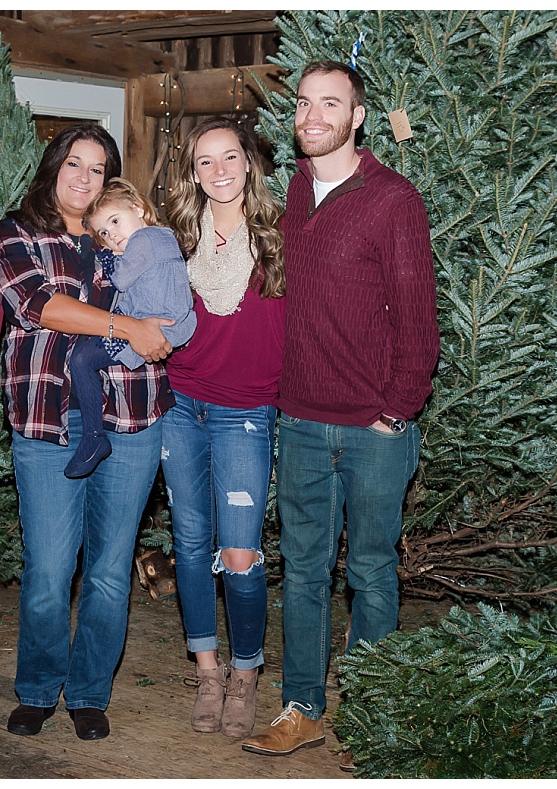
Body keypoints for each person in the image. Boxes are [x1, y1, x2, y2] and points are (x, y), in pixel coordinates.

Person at [241, 61, 439, 765]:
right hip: (298, 421)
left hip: (374, 430)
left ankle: (372, 712)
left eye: (331, 103)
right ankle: (302, 707)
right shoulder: (293, 191)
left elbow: (420, 322)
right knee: (302, 571)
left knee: (373, 572)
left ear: (358, 116)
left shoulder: (392, 199)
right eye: (303, 103)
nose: (312, 115)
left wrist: (396, 410)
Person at [0, 122, 174, 742]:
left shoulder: (126, 236)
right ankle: (39, 688)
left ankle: (90, 693)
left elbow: (171, 299)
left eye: (97, 169)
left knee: (108, 567)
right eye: (74, 163)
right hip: (47, 420)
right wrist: (126, 327)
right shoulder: (16, 231)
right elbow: (38, 306)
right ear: (54, 166)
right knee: (47, 567)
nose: (84, 178)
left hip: (131, 418)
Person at [160, 117, 286, 739]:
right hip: (180, 405)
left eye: (228, 157)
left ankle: (246, 671)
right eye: (204, 162)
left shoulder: (283, 235)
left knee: (239, 554)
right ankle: (207, 670)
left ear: (249, 163)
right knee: (188, 544)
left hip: (245, 413)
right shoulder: (176, 237)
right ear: (192, 172)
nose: (218, 171)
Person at [65, 177, 196, 478]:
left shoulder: (145, 240)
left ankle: (93, 438)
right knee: (87, 359)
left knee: (82, 360)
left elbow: (121, 281)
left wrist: (105, 255)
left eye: (115, 221)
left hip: (156, 325)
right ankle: (94, 436)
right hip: (165, 323)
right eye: (105, 233)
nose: (113, 236)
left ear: (138, 209)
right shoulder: (162, 238)